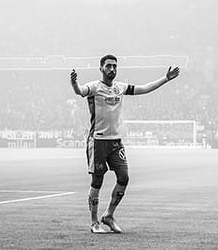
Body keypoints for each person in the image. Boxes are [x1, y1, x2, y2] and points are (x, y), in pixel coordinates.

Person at [69, 54, 180, 234]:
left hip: (116, 141)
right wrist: (74, 83)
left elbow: (144, 88)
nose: (112, 69)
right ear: (101, 68)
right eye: (108, 66)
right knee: (97, 181)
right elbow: (80, 91)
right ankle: (94, 222)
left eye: (114, 66)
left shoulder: (120, 87)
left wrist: (165, 79)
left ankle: (108, 215)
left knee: (124, 177)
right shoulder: (94, 87)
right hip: (98, 141)